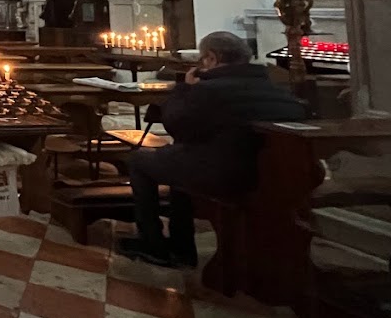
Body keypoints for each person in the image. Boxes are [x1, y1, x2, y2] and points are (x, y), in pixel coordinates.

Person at [119, 30, 306, 267]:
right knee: (178, 161)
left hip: (223, 175)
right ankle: (179, 245)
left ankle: (154, 243)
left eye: (202, 59)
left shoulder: (208, 90)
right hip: (274, 175)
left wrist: (185, 89)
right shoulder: (278, 90)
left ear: (211, 58)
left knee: (139, 160)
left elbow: (175, 124)